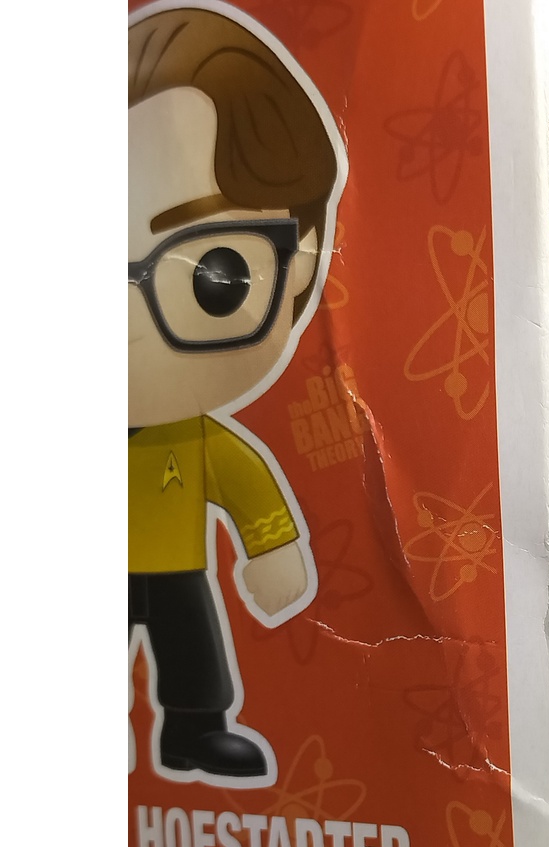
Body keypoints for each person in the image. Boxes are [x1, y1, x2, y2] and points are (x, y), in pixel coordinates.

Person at [128, 4, 345, 783]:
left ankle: (194, 729)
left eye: (213, 274)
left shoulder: (193, 436)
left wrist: (271, 548)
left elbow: (245, 481)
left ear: (300, 256)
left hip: (178, 566)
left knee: (193, 648)